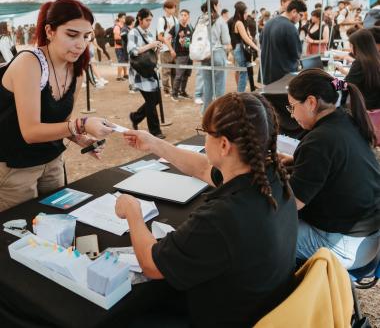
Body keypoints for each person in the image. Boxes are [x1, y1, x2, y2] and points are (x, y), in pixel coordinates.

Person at [116, 92, 298, 328]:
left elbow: (151, 266)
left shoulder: (223, 216)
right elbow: (203, 168)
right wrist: (153, 143)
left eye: (206, 134)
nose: (204, 141)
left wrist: (133, 213)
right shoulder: (271, 177)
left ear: (224, 145)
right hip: (261, 306)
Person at [0, 0, 114, 211]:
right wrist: (81, 124)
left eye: (86, 36)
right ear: (50, 31)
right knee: (18, 232)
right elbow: (31, 132)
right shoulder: (29, 63)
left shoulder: (76, 69)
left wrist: (79, 137)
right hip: (15, 167)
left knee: (57, 219)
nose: (80, 44)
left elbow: (61, 122)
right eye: (72, 35)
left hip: (53, 161)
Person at [282, 69, 380, 269]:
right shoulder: (347, 120)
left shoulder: (319, 141)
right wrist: (297, 161)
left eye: (292, 107)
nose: (292, 115)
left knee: (264, 232)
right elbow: (336, 164)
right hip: (368, 236)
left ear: (311, 102)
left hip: (345, 245)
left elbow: (290, 203)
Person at [128, 8, 165, 139]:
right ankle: (155, 131)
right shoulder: (133, 32)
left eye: (150, 20)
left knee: (154, 100)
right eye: (147, 20)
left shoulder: (149, 33)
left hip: (150, 70)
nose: (149, 22)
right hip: (140, 71)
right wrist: (151, 45)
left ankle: (135, 117)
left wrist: (157, 48)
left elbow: (152, 54)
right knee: (151, 100)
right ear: (140, 19)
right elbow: (132, 51)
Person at [260, 0, 307, 85]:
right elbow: (296, 54)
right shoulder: (290, 27)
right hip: (283, 76)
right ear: (294, 12)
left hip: (267, 74)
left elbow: (261, 42)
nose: (300, 18)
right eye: (300, 15)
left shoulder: (268, 23)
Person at [198, 0, 230, 112]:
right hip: (217, 53)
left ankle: (206, 111)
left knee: (207, 86)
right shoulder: (220, 20)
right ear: (215, 5)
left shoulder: (201, 19)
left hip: (204, 54)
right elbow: (226, 40)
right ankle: (219, 112)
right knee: (220, 86)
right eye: (219, 4)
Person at [336, 29, 380, 110]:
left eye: (351, 45)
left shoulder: (360, 63)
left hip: (366, 109)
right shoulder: (375, 59)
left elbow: (346, 85)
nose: (350, 49)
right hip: (375, 106)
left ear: (358, 46)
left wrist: (331, 82)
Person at [230, 1, 259, 92]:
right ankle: (240, 94)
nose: (247, 14)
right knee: (244, 72)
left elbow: (247, 36)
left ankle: (244, 91)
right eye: (245, 12)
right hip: (240, 49)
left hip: (239, 49)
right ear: (240, 13)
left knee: (244, 71)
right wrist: (256, 47)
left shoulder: (239, 22)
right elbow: (245, 38)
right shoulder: (238, 23)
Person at [168, 9, 193, 101]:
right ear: (179, 17)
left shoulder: (190, 27)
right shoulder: (176, 27)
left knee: (187, 74)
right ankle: (174, 94)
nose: (183, 17)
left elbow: (190, 41)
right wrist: (171, 50)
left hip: (189, 55)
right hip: (180, 55)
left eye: (185, 15)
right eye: (181, 15)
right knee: (179, 75)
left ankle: (182, 92)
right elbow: (167, 39)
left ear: (188, 17)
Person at [157, 0, 178, 96]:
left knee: (175, 70)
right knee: (166, 70)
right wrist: (168, 45)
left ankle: (174, 89)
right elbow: (160, 36)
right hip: (165, 49)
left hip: (174, 49)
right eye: (172, 7)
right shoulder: (162, 20)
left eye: (174, 7)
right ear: (166, 9)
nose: (174, 9)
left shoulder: (175, 19)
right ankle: (166, 89)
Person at [121, 15, 135, 91]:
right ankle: (131, 86)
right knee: (131, 69)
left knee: (134, 68)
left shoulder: (131, 29)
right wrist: (130, 42)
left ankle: (134, 85)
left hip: (133, 51)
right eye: (133, 21)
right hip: (128, 51)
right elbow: (123, 37)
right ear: (131, 21)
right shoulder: (125, 29)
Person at [113, 12, 128, 81]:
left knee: (125, 60)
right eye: (123, 17)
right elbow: (116, 37)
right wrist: (124, 37)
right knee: (121, 61)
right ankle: (118, 76)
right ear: (119, 18)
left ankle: (125, 74)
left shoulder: (125, 26)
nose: (124, 19)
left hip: (124, 46)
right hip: (119, 47)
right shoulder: (117, 26)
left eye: (125, 17)